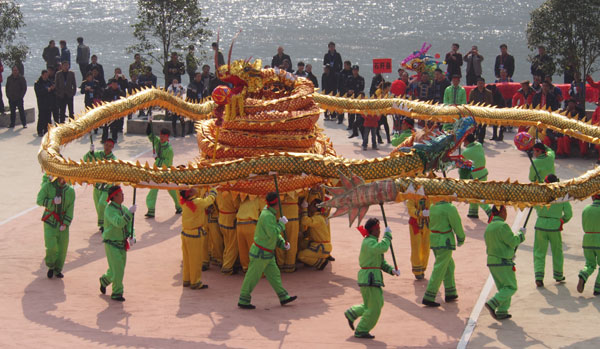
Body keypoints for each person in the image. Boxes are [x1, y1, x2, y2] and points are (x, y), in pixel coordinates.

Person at [238, 192, 297, 309]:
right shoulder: (267, 216)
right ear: (276, 205)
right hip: (260, 253)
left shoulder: (269, 213)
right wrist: (281, 225)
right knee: (252, 277)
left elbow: (274, 234)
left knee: (275, 275)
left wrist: (282, 243)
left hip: (267, 254)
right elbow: (272, 233)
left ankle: (283, 297)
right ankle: (243, 300)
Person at [344, 218, 399, 339]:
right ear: (372, 230)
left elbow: (381, 263)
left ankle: (352, 313)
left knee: (373, 304)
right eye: (378, 229)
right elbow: (382, 248)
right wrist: (388, 236)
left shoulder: (373, 242)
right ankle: (362, 329)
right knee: (375, 307)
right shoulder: (369, 242)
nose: (379, 231)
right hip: (370, 277)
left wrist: (391, 270)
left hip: (371, 277)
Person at [483, 205, 526, 320]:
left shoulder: (489, 227)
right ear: (501, 212)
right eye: (505, 211)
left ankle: (502, 310)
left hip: (492, 261)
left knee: (503, 287)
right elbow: (513, 241)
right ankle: (493, 303)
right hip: (502, 260)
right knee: (511, 287)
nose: (506, 214)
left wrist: (509, 252)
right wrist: (521, 235)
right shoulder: (502, 226)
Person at [422, 200, 465, 307]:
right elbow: (457, 224)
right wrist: (461, 238)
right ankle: (429, 295)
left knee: (449, 265)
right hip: (445, 241)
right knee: (440, 268)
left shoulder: (433, 205)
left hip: (434, 239)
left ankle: (450, 292)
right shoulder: (449, 208)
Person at [533, 174, 572, 287]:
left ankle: (539, 276)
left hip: (540, 225)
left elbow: (534, 206)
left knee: (539, 252)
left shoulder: (539, 194)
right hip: (555, 226)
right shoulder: (562, 195)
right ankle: (558, 275)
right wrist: (561, 221)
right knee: (557, 252)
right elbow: (569, 214)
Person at [99, 186, 136, 301]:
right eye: (121, 194)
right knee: (118, 269)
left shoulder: (123, 209)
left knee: (117, 268)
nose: (123, 195)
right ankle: (117, 292)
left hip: (122, 243)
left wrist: (132, 236)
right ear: (114, 197)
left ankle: (105, 280)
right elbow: (119, 223)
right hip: (111, 243)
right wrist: (129, 214)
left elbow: (129, 226)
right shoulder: (109, 210)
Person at [37, 176, 75, 279]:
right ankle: (51, 265)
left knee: (63, 248)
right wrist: (51, 202)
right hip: (50, 221)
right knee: (51, 247)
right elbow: (39, 200)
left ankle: (58, 269)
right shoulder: (48, 186)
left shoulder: (70, 191)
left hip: (63, 222)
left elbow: (70, 208)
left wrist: (66, 223)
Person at [179, 187, 217, 289]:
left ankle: (186, 280)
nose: (196, 189)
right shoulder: (198, 201)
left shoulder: (185, 202)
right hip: (195, 234)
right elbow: (209, 201)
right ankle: (195, 282)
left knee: (187, 259)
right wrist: (213, 192)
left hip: (185, 233)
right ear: (190, 192)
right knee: (195, 259)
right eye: (193, 189)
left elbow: (197, 211)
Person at [144, 124, 182, 217]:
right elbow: (150, 135)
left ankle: (179, 206)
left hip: (166, 172)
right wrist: (149, 124)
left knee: (172, 190)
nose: (161, 137)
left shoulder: (169, 149)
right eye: (161, 135)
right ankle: (151, 210)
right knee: (153, 189)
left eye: (163, 136)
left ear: (167, 137)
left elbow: (167, 163)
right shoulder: (157, 142)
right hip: (157, 171)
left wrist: (157, 158)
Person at [83, 139, 117, 231]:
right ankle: (103, 223)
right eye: (106, 145)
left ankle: (105, 224)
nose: (107, 147)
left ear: (112, 147)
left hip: (107, 187)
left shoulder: (113, 159)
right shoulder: (97, 154)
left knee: (102, 204)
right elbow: (86, 160)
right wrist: (90, 152)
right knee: (98, 205)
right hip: (97, 186)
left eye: (110, 146)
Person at [461, 133, 492, 218]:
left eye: (464, 141)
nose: (463, 142)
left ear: (467, 141)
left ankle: (489, 211)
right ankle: (473, 212)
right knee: (475, 193)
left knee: (476, 195)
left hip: (475, 175)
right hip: (483, 172)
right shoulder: (479, 145)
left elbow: (460, 163)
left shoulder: (466, 152)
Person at [297, 198, 332, 270]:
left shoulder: (318, 218)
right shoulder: (318, 217)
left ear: (316, 208)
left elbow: (304, 221)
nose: (309, 206)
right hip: (319, 245)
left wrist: (304, 209)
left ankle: (320, 262)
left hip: (321, 248)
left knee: (300, 256)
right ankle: (312, 259)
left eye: (311, 205)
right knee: (301, 243)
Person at [577, 194, 600, 296]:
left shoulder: (586, 209)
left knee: (590, 264)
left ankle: (583, 275)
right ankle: (597, 289)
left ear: (592, 197)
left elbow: (583, 225)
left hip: (587, 239)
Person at [216, 191, 240, 275]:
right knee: (233, 245)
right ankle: (227, 267)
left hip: (222, 219)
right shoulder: (233, 194)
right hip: (230, 219)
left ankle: (226, 262)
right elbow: (237, 205)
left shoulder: (219, 192)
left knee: (227, 243)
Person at [406, 198, 431, 280]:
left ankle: (423, 268)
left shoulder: (430, 193)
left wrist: (431, 210)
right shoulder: (412, 195)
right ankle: (417, 271)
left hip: (427, 225)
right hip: (415, 225)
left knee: (426, 247)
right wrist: (420, 213)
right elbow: (410, 208)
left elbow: (434, 203)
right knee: (416, 247)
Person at [236, 196, 262, 273]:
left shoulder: (242, 198)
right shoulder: (259, 199)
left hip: (239, 224)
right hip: (251, 225)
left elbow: (236, 206)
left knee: (243, 249)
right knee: (255, 249)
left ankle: (246, 269)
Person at [276, 194, 301, 273]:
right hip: (292, 216)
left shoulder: (273, 185)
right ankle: (289, 265)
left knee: (279, 241)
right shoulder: (296, 185)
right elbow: (304, 195)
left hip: (280, 216)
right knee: (292, 241)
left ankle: (280, 264)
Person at [468, 77, 493, 143]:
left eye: (482, 83)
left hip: (484, 111)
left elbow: (490, 102)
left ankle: (481, 140)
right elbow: (470, 101)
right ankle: (475, 138)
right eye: (479, 83)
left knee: (483, 126)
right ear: (477, 84)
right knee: (475, 126)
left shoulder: (488, 92)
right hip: (475, 111)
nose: (481, 85)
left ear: (484, 84)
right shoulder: (473, 92)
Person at [35, 70, 55, 136]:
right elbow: (38, 92)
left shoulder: (49, 82)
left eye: (47, 75)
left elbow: (52, 91)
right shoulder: (38, 83)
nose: (46, 76)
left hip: (49, 102)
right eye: (45, 75)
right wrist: (47, 90)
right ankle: (40, 130)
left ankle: (47, 130)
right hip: (42, 102)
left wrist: (52, 89)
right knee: (41, 116)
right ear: (42, 75)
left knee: (48, 117)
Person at [345, 65, 365, 130]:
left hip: (358, 97)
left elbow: (362, 88)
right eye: (354, 70)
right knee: (350, 112)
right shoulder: (349, 78)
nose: (355, 71)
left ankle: (358, 125)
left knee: (358, 113)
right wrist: (348, 91)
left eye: (356, 70)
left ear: (358, 71)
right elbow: (345, 86)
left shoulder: (361, 79)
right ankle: (350, 125)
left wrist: (354, 91)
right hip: (350, 98)